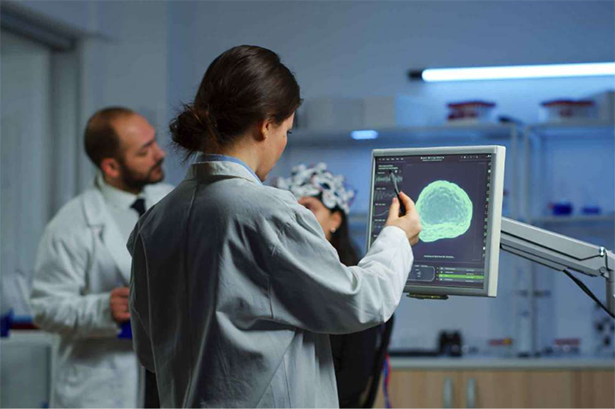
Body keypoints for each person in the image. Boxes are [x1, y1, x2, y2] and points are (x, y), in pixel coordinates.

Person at [127, 45, 421, 408]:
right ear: (266, 125)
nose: (283, 143)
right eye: (287, 131)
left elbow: (149, 350)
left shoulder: (153, 221)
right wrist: (397, 236)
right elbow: (362, 302)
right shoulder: (269, 212)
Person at [30, 107, 173, 408]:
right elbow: (45, 308)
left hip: (166, 377)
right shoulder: (70, 225)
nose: (159, 154)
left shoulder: (169, 200)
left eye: (154, 142)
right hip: (104, 386)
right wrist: (102, 309)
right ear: (112, 167)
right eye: (145, 150)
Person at [275, 163, 392, 408]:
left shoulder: (355, 284)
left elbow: (353, 380)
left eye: (309, 208)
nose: (299, 217)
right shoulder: (280, 278)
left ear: (335, 220)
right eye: (293, 209)